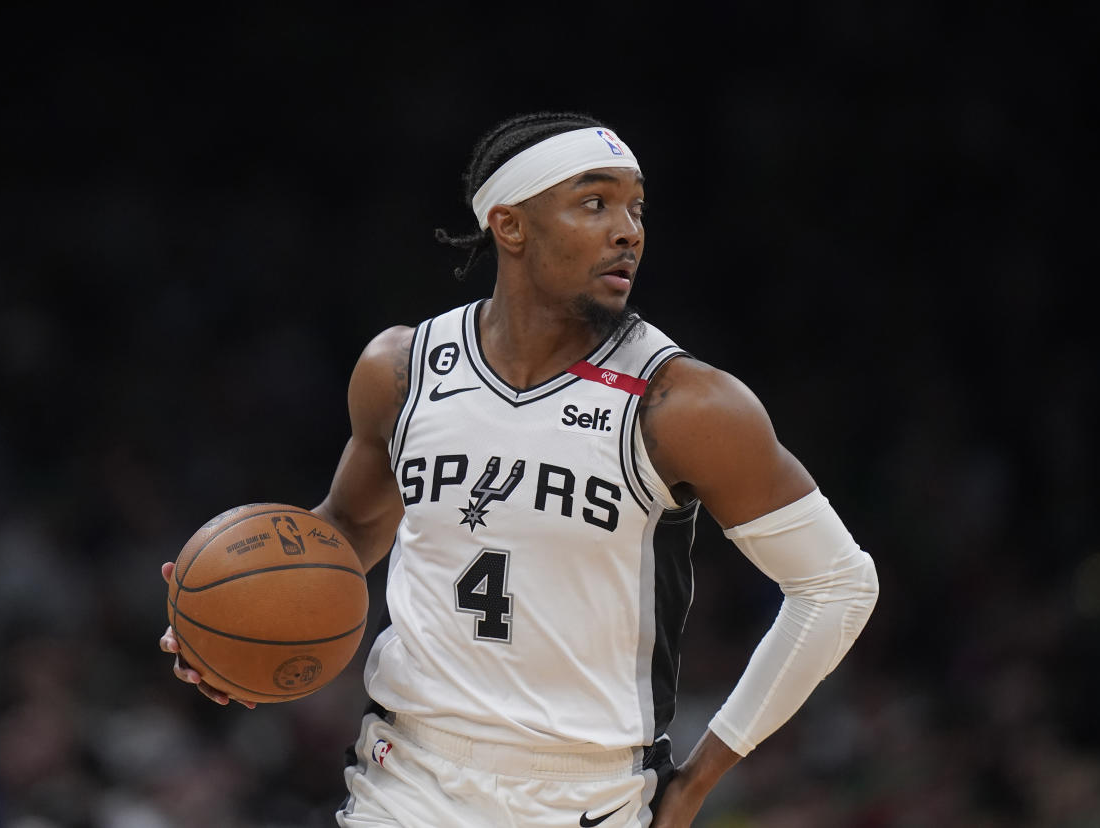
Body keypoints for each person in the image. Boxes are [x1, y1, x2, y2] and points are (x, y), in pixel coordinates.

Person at [159, 111, 879, 827]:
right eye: (595, 203)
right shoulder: (403, 369)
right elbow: (347, 529)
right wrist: (225, 622)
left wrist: (698, 778)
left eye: (635, 207)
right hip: (406, 778)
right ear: (510, 226)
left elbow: (837, 584)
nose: (628, 229)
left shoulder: (683, 404)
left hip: (587, 795)